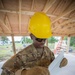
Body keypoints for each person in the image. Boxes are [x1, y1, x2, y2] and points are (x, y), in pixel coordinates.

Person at [1, 12, 68, 75]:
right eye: (39, 39)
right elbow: (5, 71)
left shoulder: (48, 51)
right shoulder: (22, 55)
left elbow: (53, 63)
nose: (43, 41)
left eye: (45, 38)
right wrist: (25, 73)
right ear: (31, 36)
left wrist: (60, 62)